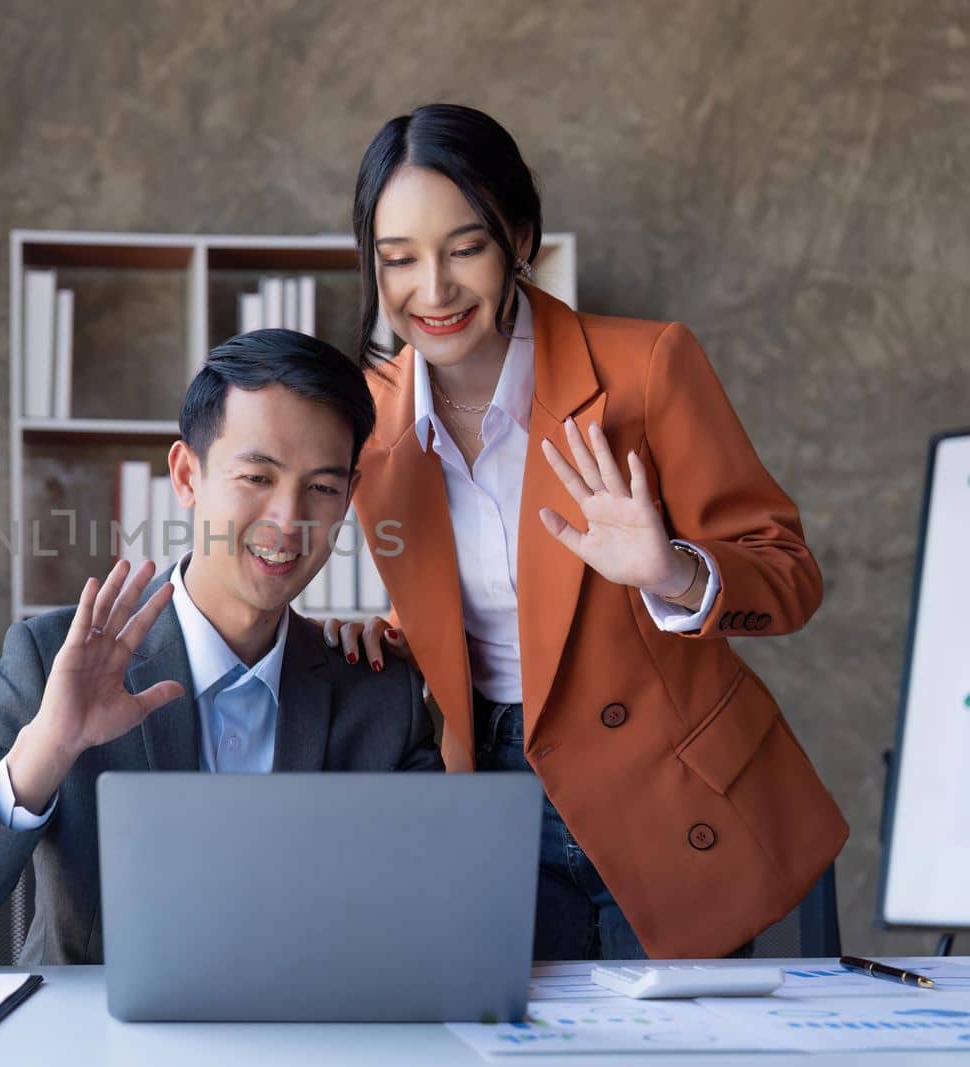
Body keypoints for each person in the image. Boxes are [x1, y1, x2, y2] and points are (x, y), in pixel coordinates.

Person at [326, 103, 847, 960]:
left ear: (519, 234)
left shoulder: (647, 368)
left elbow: (789, 573)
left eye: (466, 248)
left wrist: (674, 572)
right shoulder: (373, 425)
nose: (434, 290)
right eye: (399, 260)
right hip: (493, 805)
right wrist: (383, 637)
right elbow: (481, 617)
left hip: (671, 794)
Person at [0, 329, 441, 969]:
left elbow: (446, 920)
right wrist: (48, 747)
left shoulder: (377, 691)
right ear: (186, 475)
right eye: (257, 476)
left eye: (321, 488)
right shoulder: (54, 660)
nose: (288, 521)